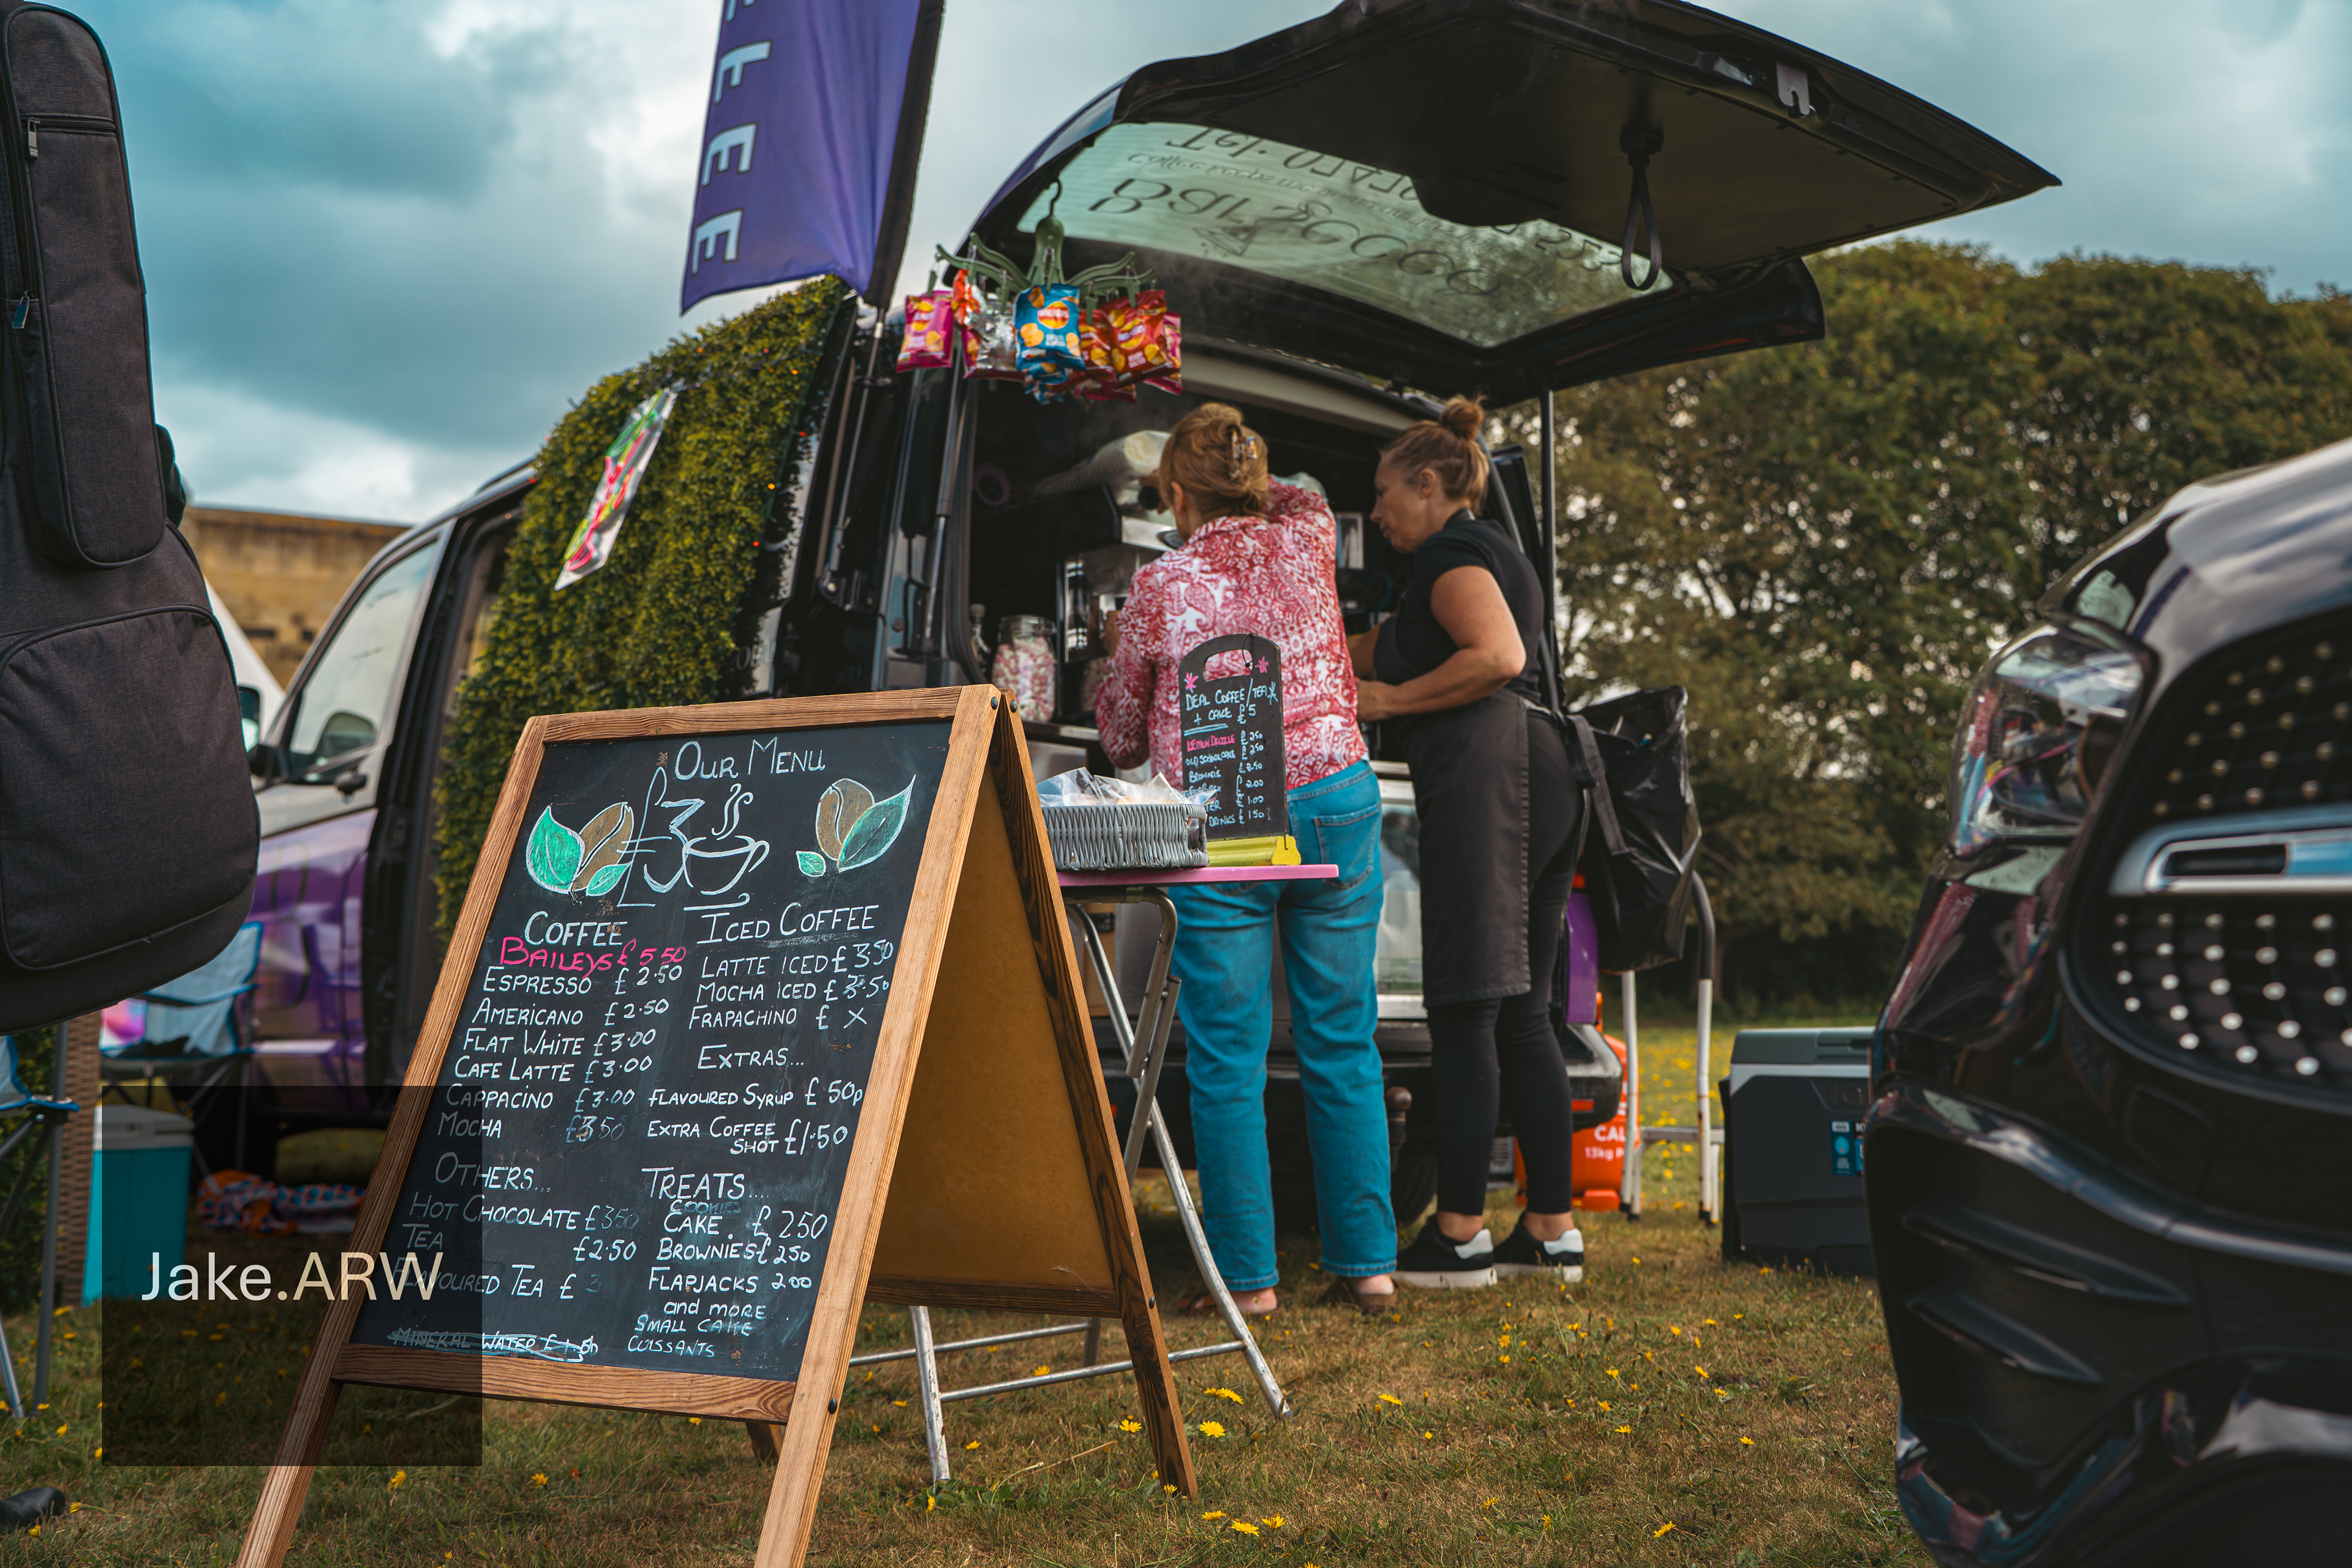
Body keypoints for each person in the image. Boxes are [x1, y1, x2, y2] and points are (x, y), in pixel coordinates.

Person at [1096, 403, 1396, 1317]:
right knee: (1341, 1033)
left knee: (1229, 1052)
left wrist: (1118, 655)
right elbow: (1302, 495)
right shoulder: (1307, 538)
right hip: (1338, 793)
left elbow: (1119, 739)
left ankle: (1248, 1283)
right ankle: (1369, 1268)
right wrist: (1251, 468)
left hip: (1229, 810)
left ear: (1174, 495)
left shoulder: (1160, 585)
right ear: (1258, 483)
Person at [1351, 395, 1586, 1288]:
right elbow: (1386, 646)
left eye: (1384, 493)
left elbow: (1495, 657)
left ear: (1427, 482)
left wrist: (1389, 702)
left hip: (1490, 775)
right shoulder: (1492, 550)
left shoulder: (1450, 552)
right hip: (1545, 770)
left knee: (1464, 1005)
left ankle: (1458, 1236)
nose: (1376, 512)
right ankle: (1550, 1232)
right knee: (1524, 1010)